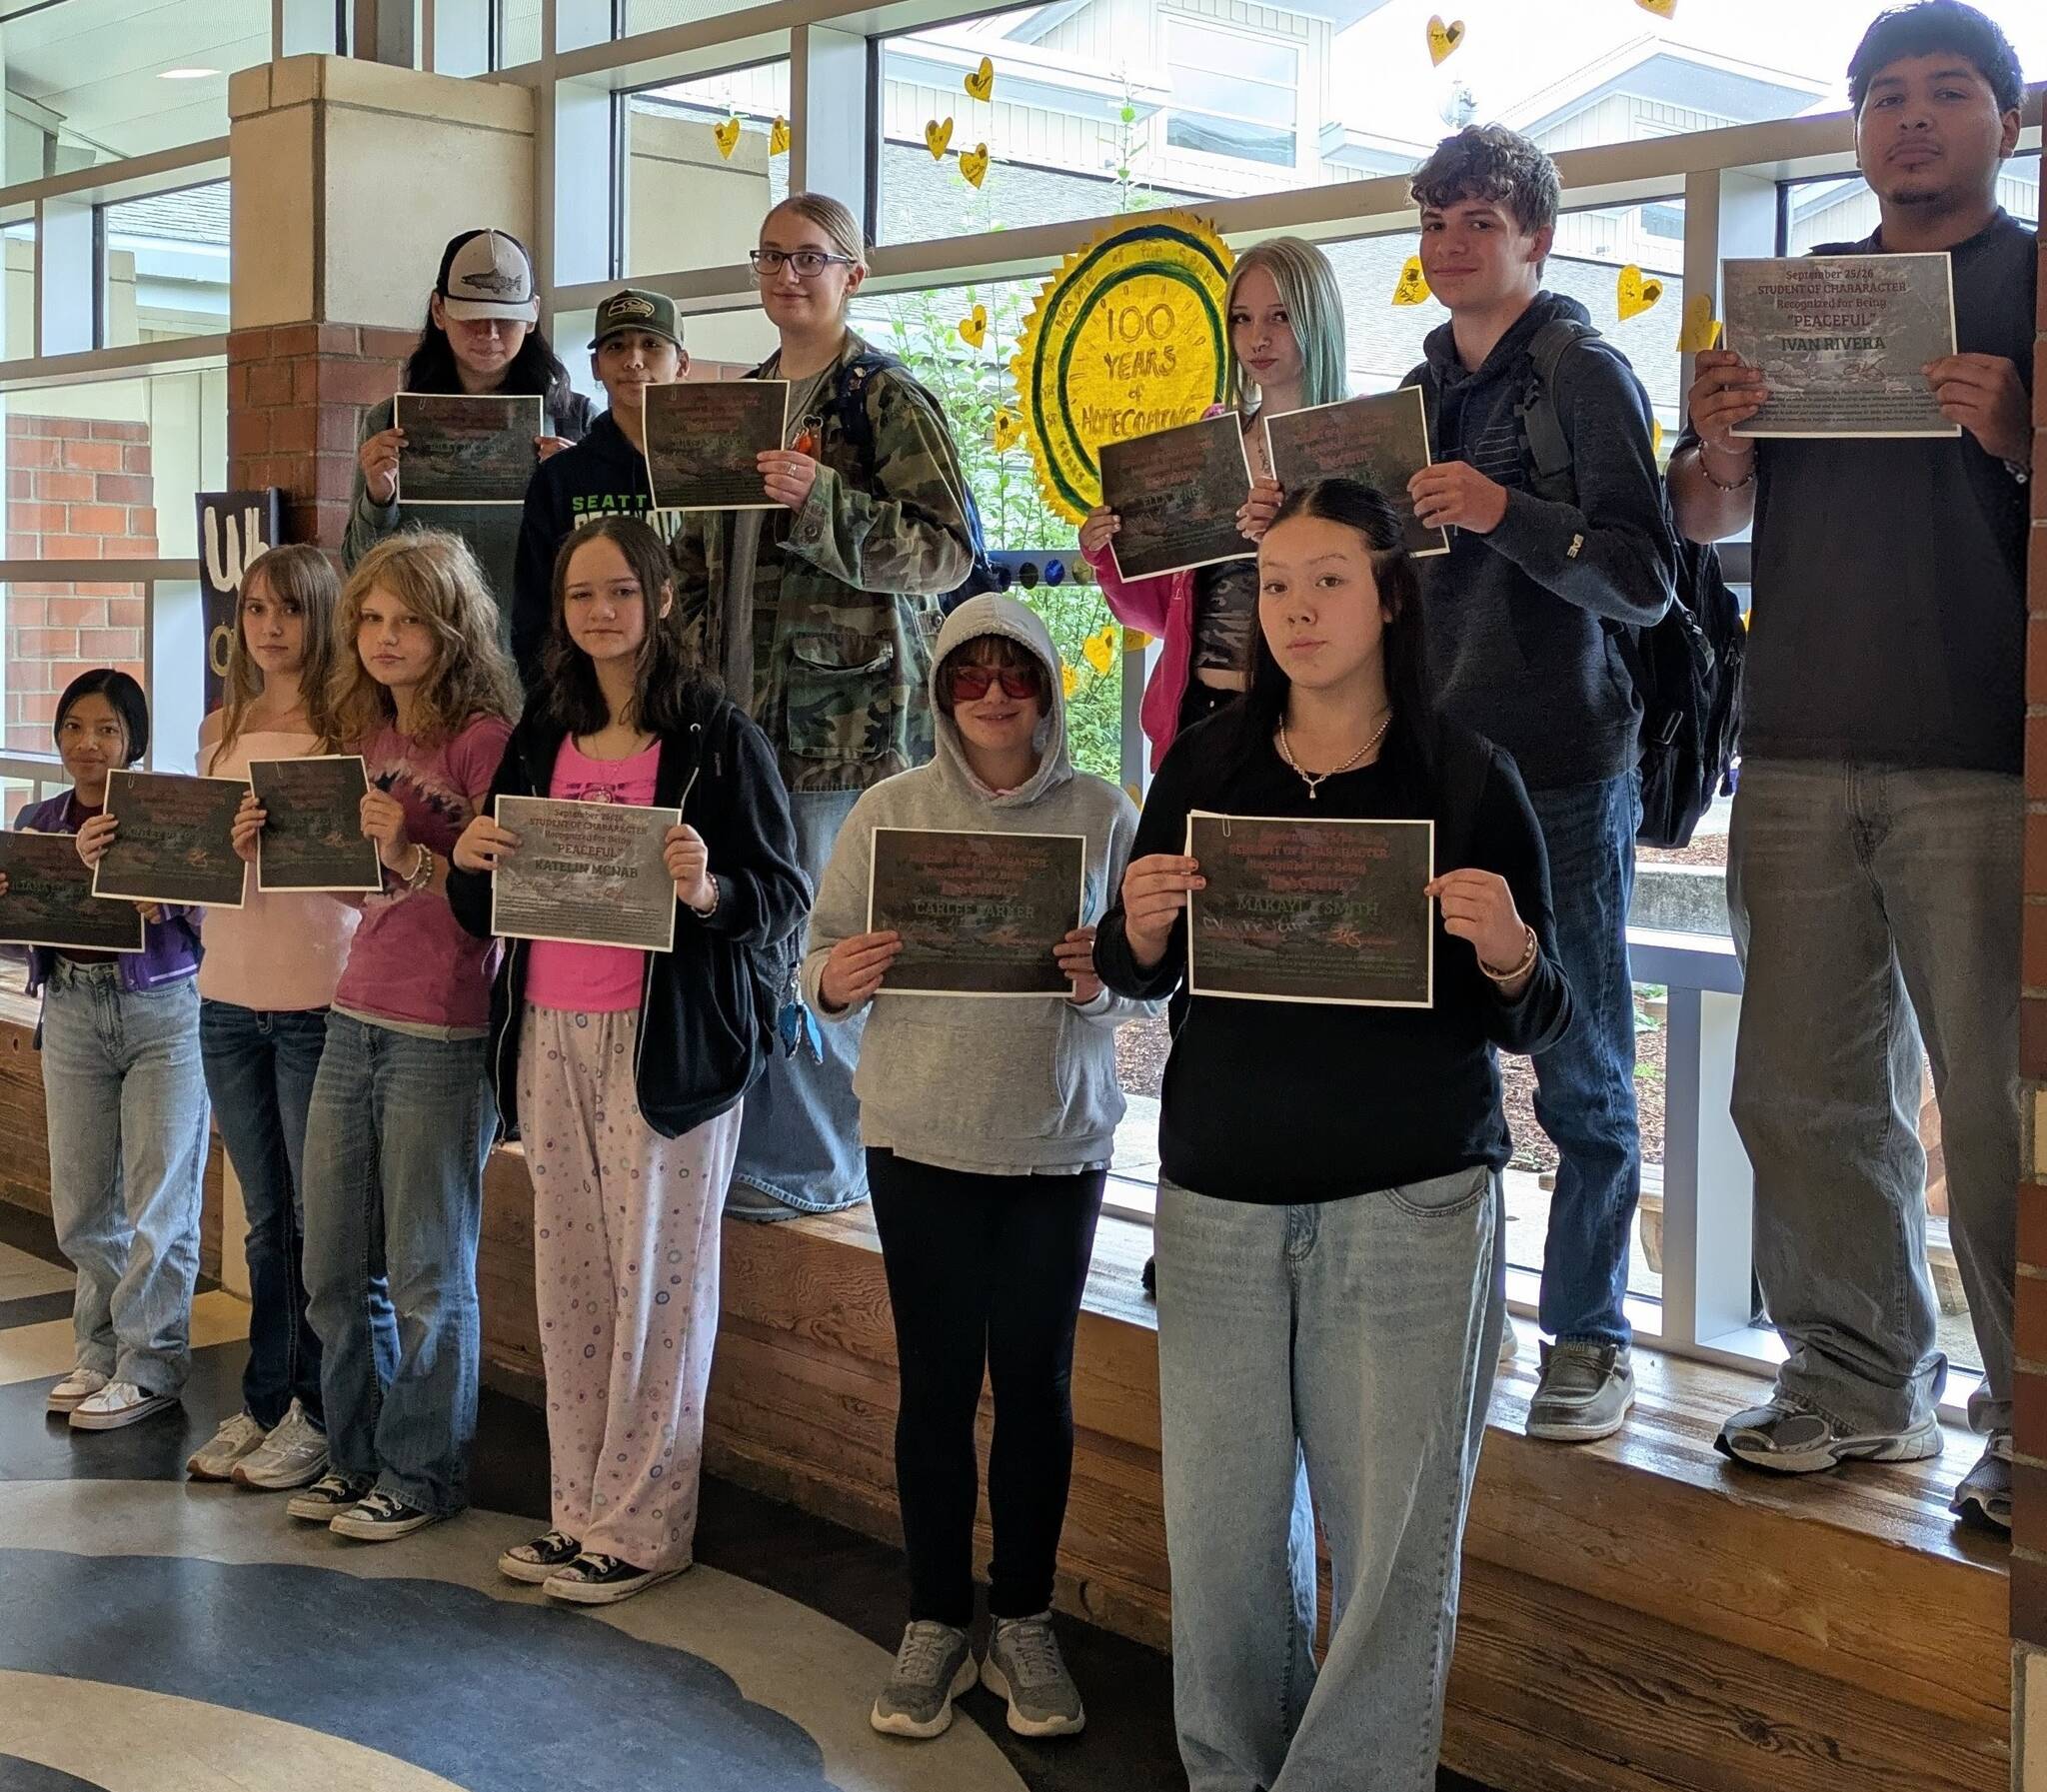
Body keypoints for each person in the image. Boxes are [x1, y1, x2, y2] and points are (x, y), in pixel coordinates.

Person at [1093, 479, 1569, 1791]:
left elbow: (1542, 1012)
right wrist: (1136, 930)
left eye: (1329, 581)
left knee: (1391, 1551)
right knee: (1224, 1540)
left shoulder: (1469, 776)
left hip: (1410, 1203)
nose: (1297, 609)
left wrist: (1513, 949)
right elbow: (1143, 977)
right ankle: (1229, 1772)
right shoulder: (1203, 764)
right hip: (1222, 1201)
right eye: (1277, 585)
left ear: (1390, 596)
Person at [1669, 0, 2031, 1528]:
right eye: (1886, 96)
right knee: (1803, 1094)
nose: (1913, 119)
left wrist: (2023, 435)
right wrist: (1722, 452)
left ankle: (2031, 1420)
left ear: (2006, 122)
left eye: (1949, 92)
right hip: (1800, 745)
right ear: (1856, 126)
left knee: (2006, 1107)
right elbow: (1702, 522)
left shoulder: (2036, 281)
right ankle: (1854, 1380)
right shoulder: (1802, 299)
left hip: (1990, 755)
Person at [804, 593, 1154, 1742]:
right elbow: (810, 957)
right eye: (969, 674)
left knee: (1039, 1390)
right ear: (940, 690)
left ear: (1051, 689)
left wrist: (1100, 985)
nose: (994, 694)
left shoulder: (1107, 812)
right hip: (916, 1139)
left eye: (1017, 675)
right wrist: (834, 982)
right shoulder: (886, 809)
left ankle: (1026, 1616)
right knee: (936, 1389)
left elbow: (1151, 980)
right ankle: (931, 1618)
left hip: (1055, 1144)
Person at [447, 518, 808, 1603]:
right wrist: (467, 858)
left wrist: (704, 891)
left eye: (618, 591)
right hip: (549, 1029)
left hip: (668, 1052)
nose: (599, 612)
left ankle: (643, 1525)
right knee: (572, 1284)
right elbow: (491, 888)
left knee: (658, 1283)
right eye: (579, 595)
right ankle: (578, 1511)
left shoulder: (711, 733)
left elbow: (778, 898)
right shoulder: (543, 728)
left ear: (657, 600)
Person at [1401, 123, 1675, 1442]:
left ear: (1537, 237)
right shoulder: (1418, 385)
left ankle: (1589, 1335)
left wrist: (1506, 511)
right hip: (1440, 765)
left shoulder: (1582, 371)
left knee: (1580, 1062)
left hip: (1564, 765)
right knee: (1441, 1044)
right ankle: (1450, 1310)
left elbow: (1645, 576)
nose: (1454, 243)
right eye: (1437, 220)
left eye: (1481, 220)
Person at [672, 191, 978, 1222]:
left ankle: (814, 1163)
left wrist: (824, 502)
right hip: (733, 727)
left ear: (854, 271)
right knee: (742, 934)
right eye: (769, 256)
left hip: (839, 732)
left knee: (818, 944)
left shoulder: (884, 399)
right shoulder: (739, 400)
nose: (786, 274)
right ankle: (748, 1147)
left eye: (809, 258)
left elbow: (945, 548)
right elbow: (698, 559)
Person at [285, 532, 518, 1541]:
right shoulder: (367, 728)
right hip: (355, 1008)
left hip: (446, 1026)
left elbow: (502, 903)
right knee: (334, 1265)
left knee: (426, 1269)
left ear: (450, 626)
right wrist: (293, 844)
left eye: (407, 620)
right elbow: (357, 888)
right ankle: (354, 1455)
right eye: (371, 619)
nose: (384, 638)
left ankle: (421, 1473)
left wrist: (415, 851)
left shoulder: (485, 739)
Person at [184, 547, 360, 1490]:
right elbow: (192, 870)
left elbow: (356, 881)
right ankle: (265, 1398)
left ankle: (317, 1409)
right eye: (255, 608)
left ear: (319, 616)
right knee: (260, 1221)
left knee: (312, 1221)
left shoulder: (347, 727)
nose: (269, 627)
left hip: (315, 998)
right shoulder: (219, 725)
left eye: (289, 609)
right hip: (225, 994)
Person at [9, 671, 208, 1431]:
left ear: (135, 742)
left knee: (160, 1198)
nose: (88, 743)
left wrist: (171, 896)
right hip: (71, 1010)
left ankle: (150, 1363)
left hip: (163, 1011)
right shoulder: (39, 817)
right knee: (83, 1199)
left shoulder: (163, 814)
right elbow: (26, 922)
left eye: (108, 730)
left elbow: (209, 916)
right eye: (74, 727)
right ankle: (96, 1350)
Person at [1076, 237, 1346, 770]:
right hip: (1198, 709)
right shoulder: (1210, 435)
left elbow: (1388, 594)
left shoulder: (1355, 436)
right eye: (1242, 319)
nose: (1258, 338)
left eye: (1281, 316)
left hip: (1314, 713)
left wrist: (1292, 532)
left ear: (1319, 319)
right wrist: (1110, 548)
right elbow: (1155, 613)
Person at [346, 228, 594, 653]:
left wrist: (579, 495)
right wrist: (379, 499)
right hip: (429, 659)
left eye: (506, 319)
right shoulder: (389, 422)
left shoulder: (575, 420)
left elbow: (607, 567)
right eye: (472, 316)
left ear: (532, 314)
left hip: (547, 664)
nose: (490, 333)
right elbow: (358, 570)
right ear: (439, 311)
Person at [511, 288, 689, 679]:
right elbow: (534, 611)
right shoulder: (560, 478)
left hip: (690, 693)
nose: (633, 360)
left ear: (682, 363)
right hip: (585, 699)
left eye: (651, 344)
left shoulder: (712, 474)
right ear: (595, 366)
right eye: (616, 347)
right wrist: (553, 702)